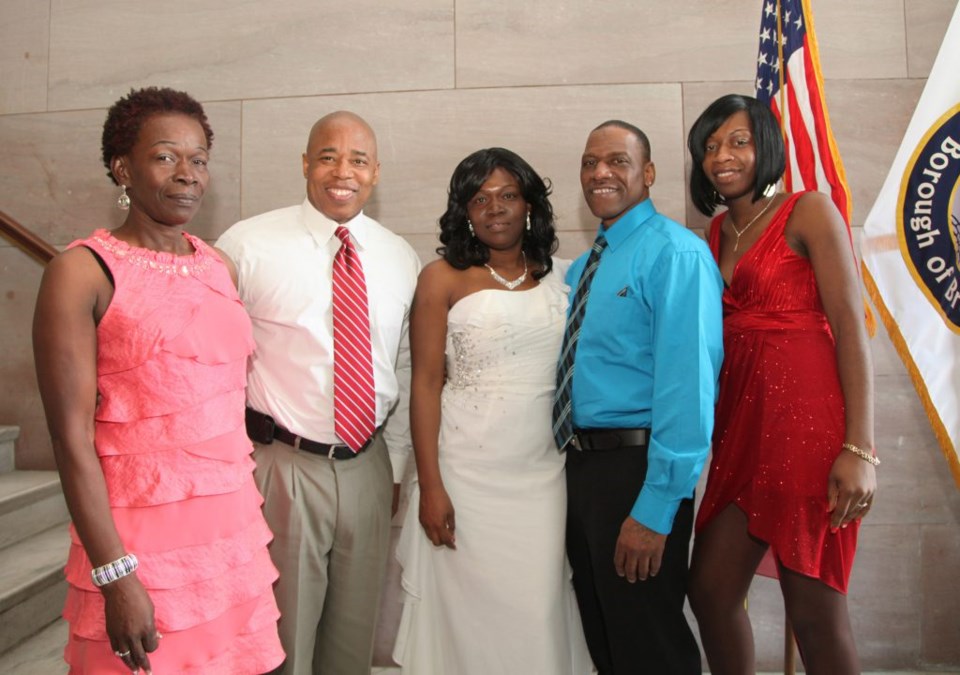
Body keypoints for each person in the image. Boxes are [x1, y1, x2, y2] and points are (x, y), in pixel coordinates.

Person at [32, 86, 284, 675]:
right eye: (166, 156)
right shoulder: (80, 272)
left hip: (231, 538)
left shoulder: (216, 264)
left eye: (198, 160)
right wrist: (116, 577)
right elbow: (71, 442)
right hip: (139, 545)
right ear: (123, 167)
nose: (187, 175)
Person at [216, 111, 420, 675]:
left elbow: (400, 363)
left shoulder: (400, 256)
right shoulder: (247, 244)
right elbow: (212, 360)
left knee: (352, 645)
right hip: (282, 465)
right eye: (328, 156)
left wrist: (396, 464)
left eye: (358, 160)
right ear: (305, 164)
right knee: (284, 643)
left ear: (376, 172)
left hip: (369, 467)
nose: (342, 171)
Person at [686, 94, 877, 675]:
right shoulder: (715, 232)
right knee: (710, 593)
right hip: (740, 433)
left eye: (739, 141)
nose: (723, 155)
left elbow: (850, 325)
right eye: (711, 146)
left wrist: (860, 449)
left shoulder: (809, 210)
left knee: (815, 610)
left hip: (808, 434)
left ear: (765, 145)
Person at [392, 148, 593, 674]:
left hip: (541, 474)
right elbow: (427, 385)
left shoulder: (565, 277)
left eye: (507, 195)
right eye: (480, 199)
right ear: (464, 211)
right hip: (464, 472)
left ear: (529, 204)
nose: (495, 208)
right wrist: (431, 486)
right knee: (467, 612)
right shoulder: (441, 278)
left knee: (536, 604)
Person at [555, 120, 724, 674]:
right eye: (589, 162)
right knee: (605, 639)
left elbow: (688, 390)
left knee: (649, 644)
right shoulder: (583, 269)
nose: (600, 172)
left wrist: (655, 508)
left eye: (617, 161)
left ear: (648, 174)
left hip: (638, 470)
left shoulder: (675, 254)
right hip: (580, 472)